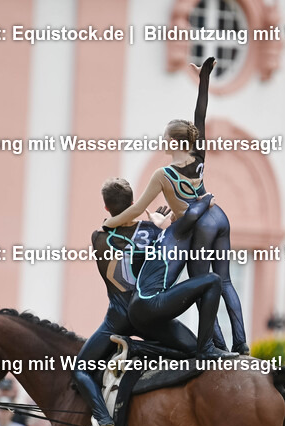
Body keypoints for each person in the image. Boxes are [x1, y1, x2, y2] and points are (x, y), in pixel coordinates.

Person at [102, 57, 247, 354]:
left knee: (202, 285)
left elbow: (135, 208)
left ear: (175, 142)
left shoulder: (163, 175)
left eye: (166, 138)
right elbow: (201, 112)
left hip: (199, 224)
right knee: (227, 281)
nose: (163, 141)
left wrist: (110, 223)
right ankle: (242, 342)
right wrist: (204, 77)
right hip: (219, 216)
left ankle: (215, 344)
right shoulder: (198, 152)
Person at [74, 177, 198, 426]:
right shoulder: (155, 233)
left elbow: (117, 232)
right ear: (134, 203)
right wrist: (156, 227)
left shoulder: (98, 238)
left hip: (116, 321)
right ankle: (142, 350)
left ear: (106, 209)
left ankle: (102, 416)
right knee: (196, 351)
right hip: (149, 318)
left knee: (81, 370)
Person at [127, 193, 231, 361]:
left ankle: (135, 347)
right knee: (213, 280)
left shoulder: (165, 234)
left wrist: (157, 224)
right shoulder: (178, 230)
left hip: (140, 311)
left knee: (191, 350)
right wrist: (206, 199)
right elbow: (192, 214)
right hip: (150, 303)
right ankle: (207, 348)